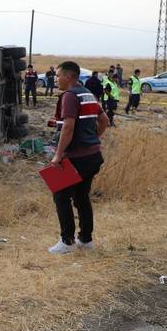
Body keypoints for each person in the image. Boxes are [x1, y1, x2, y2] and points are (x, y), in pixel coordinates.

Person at [48, 61, 108, 255]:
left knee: (60, 195)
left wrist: (57, 156)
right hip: (93, 156)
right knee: (82, 197)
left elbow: (69, 127)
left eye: (58, 76)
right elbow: (104, 121)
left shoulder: (69, 96)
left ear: (68, 77)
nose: (55, 79)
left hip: (75, 158)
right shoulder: (87, 93)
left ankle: (67, 242)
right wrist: (92, 139)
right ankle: (86, 240)